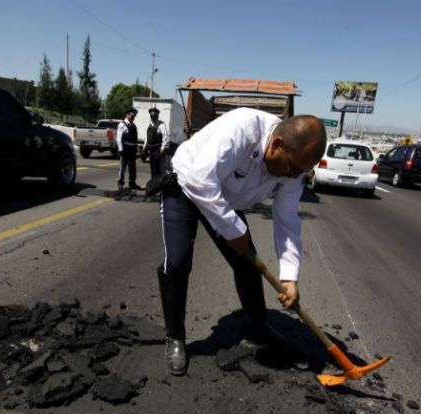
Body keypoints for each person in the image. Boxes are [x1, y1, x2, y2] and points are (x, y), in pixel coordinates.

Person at [157, 107, 327, 375]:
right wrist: (234, 230)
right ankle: (175, 336)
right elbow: (200, 181)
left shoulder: (295, 168)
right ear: (277, 144)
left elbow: (287, 222)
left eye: (301, 173)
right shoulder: (241, 129)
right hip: (186, 187)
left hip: (225, 198)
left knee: (248, 263)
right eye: (292, 169)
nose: (293, 176)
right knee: (177, 262)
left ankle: (256, 323)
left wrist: (290, 278)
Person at [116, 108, 142, 190]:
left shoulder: (133, 125)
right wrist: (120, 149)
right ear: (127, 115)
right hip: (125, 149)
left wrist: (137, 148)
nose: (133, 117)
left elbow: (135, 139)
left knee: (132, 167)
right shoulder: (122, 125)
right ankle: (120, 183)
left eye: (134, 116)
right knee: (122, 167)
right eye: (131, 115)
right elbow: (118, 138)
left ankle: (132, 183)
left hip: (132, 150)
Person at [142, 107, 170, 180]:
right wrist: (144, 147)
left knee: (159, 167)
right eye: (152, 116)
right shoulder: (150, 125)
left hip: (158, 149)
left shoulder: (161, 124)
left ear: (157, 116)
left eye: (154, 116)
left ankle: (159, 181)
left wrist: (162, 148)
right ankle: (153, 180)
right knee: (152, 166)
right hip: (151, 149)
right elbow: (147, 137)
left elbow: (165, 137)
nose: (153, 118)